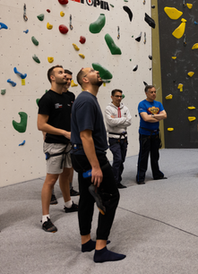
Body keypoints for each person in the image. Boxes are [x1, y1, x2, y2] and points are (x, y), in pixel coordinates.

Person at [71, 67, 125, 263]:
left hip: (81, 155)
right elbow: (86, 136)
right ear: (85, 79)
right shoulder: (86, 100)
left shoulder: (87, 99)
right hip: (90, 157)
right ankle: (101, 249)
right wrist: (96, 166)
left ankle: (86, 242)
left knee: (86, 197)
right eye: (92, 71)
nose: (97, 72)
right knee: (110, 197)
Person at [37, 65, 78, 233]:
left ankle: (68, 203)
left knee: (67, 175)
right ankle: (45, 217)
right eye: (60, 73)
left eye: (65, 73)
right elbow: (41, 125)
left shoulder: (70, 96)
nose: (65, 76)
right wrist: (63, 133)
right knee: (51, 180)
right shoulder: (47, 99)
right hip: (54, 144)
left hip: (69, 143)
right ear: (52, 78)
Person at [50, 70, 79, 205]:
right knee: (54, 170)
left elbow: (72, 116)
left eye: (70, 80)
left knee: (69, 167)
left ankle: (69, 189)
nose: (68, 81)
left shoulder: (71, 96)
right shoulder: (51, 97)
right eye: (66, 78)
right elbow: (45, 122)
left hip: (69, 137)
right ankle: (51, 194)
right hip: (55, 139)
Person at [136, 85, 167, 185]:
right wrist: (158, 117)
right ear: (146, 93)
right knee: (143, 156)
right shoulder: (142, 104)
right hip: (145, 134)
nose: (154, 94)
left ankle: (157, 174)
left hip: (155, 134)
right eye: (151, 92)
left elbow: (165, 115)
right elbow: (146, 118)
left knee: (155, 156)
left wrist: (152, 115)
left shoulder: (158, 104)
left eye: (154, 92)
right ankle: (140, 177)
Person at [105, 89, 132, 189]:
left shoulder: (125, 108)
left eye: (120, 96)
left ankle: (116, 180)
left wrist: (117, 120)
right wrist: (123, 119)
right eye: (117, 96)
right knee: (118, 159)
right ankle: (114, 182)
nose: (119, 98)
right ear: (112, 97)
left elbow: (129, 122)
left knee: (122, 160)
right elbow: (111, 122)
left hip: (124, 138)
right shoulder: (108, 109)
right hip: (114, 138)